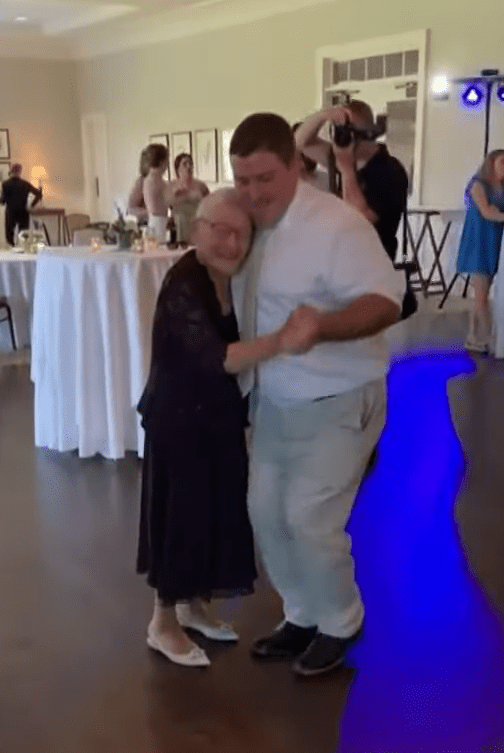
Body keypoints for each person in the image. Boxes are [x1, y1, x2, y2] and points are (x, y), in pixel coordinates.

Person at [229, 113, 405, 677]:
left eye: (264, 178)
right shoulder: (251, 225)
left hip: (339, 395)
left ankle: (341, 621)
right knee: (265, 513)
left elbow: (385, 301)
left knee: (309, 517)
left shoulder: (336, 225)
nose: (253, 192)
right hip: (275, 399)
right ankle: (301, 613)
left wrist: (323, 326)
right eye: (243, 179)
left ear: (294, 166)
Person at [136, 189, 313, 668]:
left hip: (214, 416)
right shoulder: (184, 283)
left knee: (212, 515)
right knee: (180, 518)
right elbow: (219, 357)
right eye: (222, 232)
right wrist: (282, 341)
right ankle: (162, 622)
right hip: (178, 420)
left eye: (243, 235)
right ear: (197, 231)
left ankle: (193, 609)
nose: (233, 244)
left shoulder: (228, 280)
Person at [295, 101, 408, 262]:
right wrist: (322, 115)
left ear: (367, 134)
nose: (343, 140)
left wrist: (347, 170)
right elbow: (301, 143)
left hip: (372, 267)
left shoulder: (390, 170)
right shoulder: (345, 158)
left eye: (348, 133)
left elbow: (361, 221)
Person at [456, 149, 504, 353]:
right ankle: (489, 336)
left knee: (483, 292)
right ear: (491, 164)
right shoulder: (477, 185)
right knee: (481, 293)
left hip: (496, 241)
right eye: (502, 162)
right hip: (479, 241)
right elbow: (487, 213)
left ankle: (473, 336)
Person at [169, 153, 210, 243]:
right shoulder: (171, 186)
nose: (189, 166)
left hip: (198, 228)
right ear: (177, 168)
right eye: (185, 164)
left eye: (190, 164)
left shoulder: (201, 186)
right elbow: (163, 207)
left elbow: (210, 207)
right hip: (179, 229)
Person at [0, 164, 42, 246]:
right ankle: (22, 252)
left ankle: (12, 252)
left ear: (11, 171)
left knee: (9, 236)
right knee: (24, 236)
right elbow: (39, 194)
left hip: (10, 212)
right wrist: (31, 205)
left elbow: (2, 201)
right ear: (19, 172)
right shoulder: (25, 184)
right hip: (23, 212)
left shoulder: (5, 184)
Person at [142, 144, 170, 243]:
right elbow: (154, 208)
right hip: (156, 223)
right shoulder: (151, 180)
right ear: (162, 161)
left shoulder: (161, 181)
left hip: (162, 223)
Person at [127, 149, 150, 224]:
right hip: (145, 226)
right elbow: (130, 210)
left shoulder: (160, 181)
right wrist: (150, 212)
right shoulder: (141, 182)